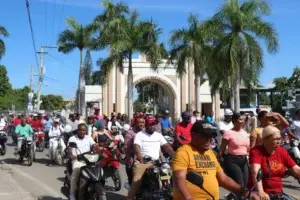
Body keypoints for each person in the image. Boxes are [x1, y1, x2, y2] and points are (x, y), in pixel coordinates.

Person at [172, 121, 248, 200]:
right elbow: (179, 179)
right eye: (205, 136)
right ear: (193, 135)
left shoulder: (210, 153)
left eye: (211, 136)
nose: (209, 140)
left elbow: (223, 179)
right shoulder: (183, 152)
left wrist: (244, 191)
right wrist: (188, 197)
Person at [127, 116, 174, 200]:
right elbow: (136, 147)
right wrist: (140, 158)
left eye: (154, 124)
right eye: (150, 125)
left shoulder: (158, 135)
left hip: (157, 162)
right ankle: (130, 198)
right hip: (143, 163)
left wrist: (175, 156)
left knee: (172, 175)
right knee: (136, 181)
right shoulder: (140, 134)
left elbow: (166, 146)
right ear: (146, 125)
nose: (153, 126)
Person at [248, 126, 300, 199]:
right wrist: (260, 191)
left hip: (277, 192)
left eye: (280, 138)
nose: (279, 141)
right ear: (266, 139)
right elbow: (255, 172)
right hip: (258, 191)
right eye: (276, 139)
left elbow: (296, 169)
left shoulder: (282, 151)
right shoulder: (256, 151)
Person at [67, 123, 104, 200]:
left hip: (88, 160)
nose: (82, 131)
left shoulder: (88, 138)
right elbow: (70, 150)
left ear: (86, 131)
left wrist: (99, 150)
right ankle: (72, 194)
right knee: (76, 173)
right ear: (78, 130)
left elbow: (94, 145)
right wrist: (72, 156)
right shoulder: (72, 139)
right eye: (80, 130)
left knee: (99, 170)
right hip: (77, 160)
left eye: (84, 130)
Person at [219, 113, 250, 198]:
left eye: (243, 120)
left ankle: (232, 197)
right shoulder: (228, 133)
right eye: (240, 120)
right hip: (233, 160)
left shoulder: (244, 132)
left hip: (244, 160)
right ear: (234, 121)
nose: (243, 121)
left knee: (246, 183)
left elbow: (247, 148)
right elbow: (222, 149)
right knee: (240, 184)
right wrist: (218, 161)